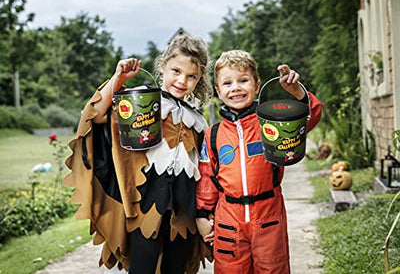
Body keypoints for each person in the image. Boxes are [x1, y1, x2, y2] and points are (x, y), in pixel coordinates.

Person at [63, 34, 213, 274]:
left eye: (191, 76)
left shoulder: (197, 120)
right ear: (163, 66)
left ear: (199, 79)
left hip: (183, 215)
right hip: (146, 209)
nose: (182, 80)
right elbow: (98, 117)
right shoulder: (141, 101)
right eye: (176, 70)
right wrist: (119, 78)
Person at [195, 50, 322, 273]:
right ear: (218, 90)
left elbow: (310, 117)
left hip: (268, 216)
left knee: (273, 268)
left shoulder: (271, 123)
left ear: (256, 84)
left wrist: (297, 92)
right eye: (227, 83)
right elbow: (207, 177)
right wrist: (202, 215)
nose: (235, 87)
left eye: (243, 80)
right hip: (228, 220)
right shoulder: (212, 135)